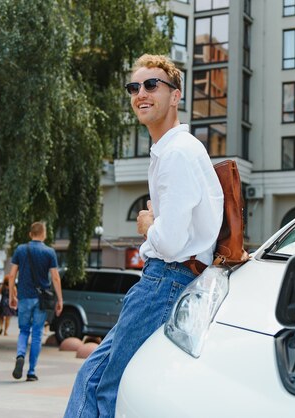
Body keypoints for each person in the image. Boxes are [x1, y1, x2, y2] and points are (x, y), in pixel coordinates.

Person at [65, 54, 224, 417]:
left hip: (165, 280)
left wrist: (147, 225)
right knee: (102, 377)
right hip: (169, 280)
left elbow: (168, 242)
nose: (141, 93)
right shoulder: (172, 151)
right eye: (134, 87)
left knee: (101, 383)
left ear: (176, 95)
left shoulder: (177, 154)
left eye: (152, 85)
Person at [8, 221, 63, 381]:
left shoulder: (20, 250)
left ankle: (20, 356)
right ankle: (31, 372)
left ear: (30, 234)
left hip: (24, 297)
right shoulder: (49, 252)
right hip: (41, 300)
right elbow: (55, 277)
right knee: (37, 334)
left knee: (24, 331)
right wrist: (59, 299)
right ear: (44, 234)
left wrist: (12, 295)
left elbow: (12, 275)